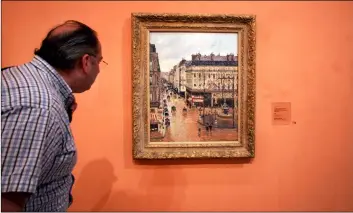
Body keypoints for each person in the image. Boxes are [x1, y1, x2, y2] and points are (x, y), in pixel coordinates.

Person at [1, 20, 105, 212]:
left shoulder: (23, 79)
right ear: (86, 62)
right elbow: (6, 200)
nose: (99, 69)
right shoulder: (39, 106)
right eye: (100, 62)